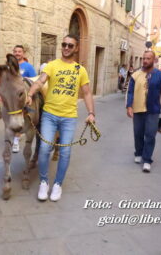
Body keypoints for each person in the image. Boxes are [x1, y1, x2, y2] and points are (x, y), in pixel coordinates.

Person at [26, 34, 96, 201]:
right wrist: (30, 93)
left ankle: (57, 184)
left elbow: (86, 92)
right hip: (49, 115)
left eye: (70, 45)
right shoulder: (51, 65)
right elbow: (40, 81)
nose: (66, 47)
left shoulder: (81, 70)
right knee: (44, 149)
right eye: (64, 44)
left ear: (76, 48)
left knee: (65, 152)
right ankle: (44, 182)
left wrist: (91, 113)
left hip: (69, 118)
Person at [126, 51, 161, 173]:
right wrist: (129, 106)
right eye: (144, 58)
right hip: (138, 109)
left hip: (153, 110)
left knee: (150, 135)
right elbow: (130, 92)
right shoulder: (135, 75)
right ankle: (138, 153)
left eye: (148, 58)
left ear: (154, 60)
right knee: (138, 133)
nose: (145, 60)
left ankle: (147, 160)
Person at [12, 45, 37, 152]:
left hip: (24, 98)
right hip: (12, 98)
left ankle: (16, 140)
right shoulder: (10, 66)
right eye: (15, 51)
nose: (17, 53)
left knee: (20, 119)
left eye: (19, 51)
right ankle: (16, 136)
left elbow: (34, 81)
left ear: (23, 53)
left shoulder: (28, 67)